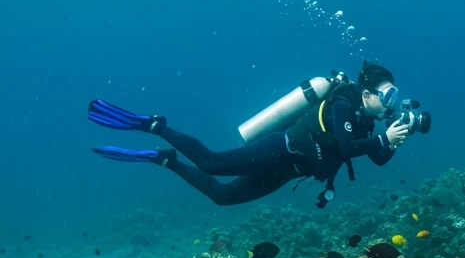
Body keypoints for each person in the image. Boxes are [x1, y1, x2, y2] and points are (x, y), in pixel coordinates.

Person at [87, 61, 423, 207]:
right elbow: (347, 147)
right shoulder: (344, 103)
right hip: (280, 150)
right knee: (209, 163)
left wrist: (394, 140)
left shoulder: (368, 121)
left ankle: (167, 161)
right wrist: (382, 139)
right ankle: (155, 125)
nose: (391, 103)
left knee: (223, 197)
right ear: (367, 93)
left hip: (291, 170)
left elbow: (378, 158)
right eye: (388, 94)